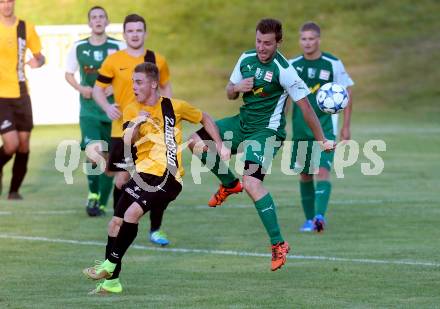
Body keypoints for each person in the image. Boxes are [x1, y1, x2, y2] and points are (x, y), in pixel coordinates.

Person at [188, 18, 334, 271]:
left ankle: (278, 244)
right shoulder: (245, 59)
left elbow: (306, 107)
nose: (261, 48)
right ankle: (228, 183)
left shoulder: (285, 69)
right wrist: (236, 87)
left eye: (267, 43)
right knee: (196, 141)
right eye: (258, 41)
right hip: (241, 122)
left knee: (253, 184)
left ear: (278, 42)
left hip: (266, 133)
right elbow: (229, 92)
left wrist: (322, 139)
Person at [83, 62, 228, 295]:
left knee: (131, 215)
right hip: (143, 174)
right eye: (132, 82)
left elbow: (205, 117)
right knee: (115, 223)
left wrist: (219, 146)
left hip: (168, 177)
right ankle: (112, 282)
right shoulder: (132, 108)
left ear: (153, 84)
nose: (134, 87)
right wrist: (139, 122)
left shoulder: (175, 106)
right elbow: (128, 140)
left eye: (138, 82)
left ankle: (109, 264)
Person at [93, 14, 174, 245]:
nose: (135, 34)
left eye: (139, 30)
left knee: (158, 179)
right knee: (121, 180)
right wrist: (107, 107)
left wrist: (168, 114)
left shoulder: (157, 60)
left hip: (152, 132)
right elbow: (98, 89)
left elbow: (166, 87)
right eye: (130, 31)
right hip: (123, 131)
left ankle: (156, 229)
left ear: (145, 33)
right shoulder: (113, 60)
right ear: (124, 34)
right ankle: (120, 222)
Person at [289, 21, 354, 233]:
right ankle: (309, 220)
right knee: (305, 174)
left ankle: (319, 217)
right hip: (300, 129)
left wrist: (346, 126)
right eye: (303, 39)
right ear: (300, 40)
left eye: (311, 38)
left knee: (323, 171)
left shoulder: (332, 63)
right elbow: (283, 95)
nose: (307, 43)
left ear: (318, 40)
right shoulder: (292, 65)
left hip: (326, 128)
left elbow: (348, 92)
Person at [65, 6, 125, 216]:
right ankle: (93, 194)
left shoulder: (118, 46)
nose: (98, 20)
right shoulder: (79, 47)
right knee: (93, 152)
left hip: (112, 109)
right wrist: (81, 88)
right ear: (89, 23)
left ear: (107, 22)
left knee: (110, 158)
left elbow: (127, 72)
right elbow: (69, 73)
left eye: (101, 17)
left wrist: (114, 86)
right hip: (89, 109)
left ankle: (101, 202)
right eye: (94, 18)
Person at [0, 0, 45, 200]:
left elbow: (40, 56)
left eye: (9, 1)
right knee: (11, 144)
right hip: (1, 96)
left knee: (24, 144)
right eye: (2, 2)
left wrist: (39, 61)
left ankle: (13, 191)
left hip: (22, 93)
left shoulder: (26, 27)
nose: (6, 5)